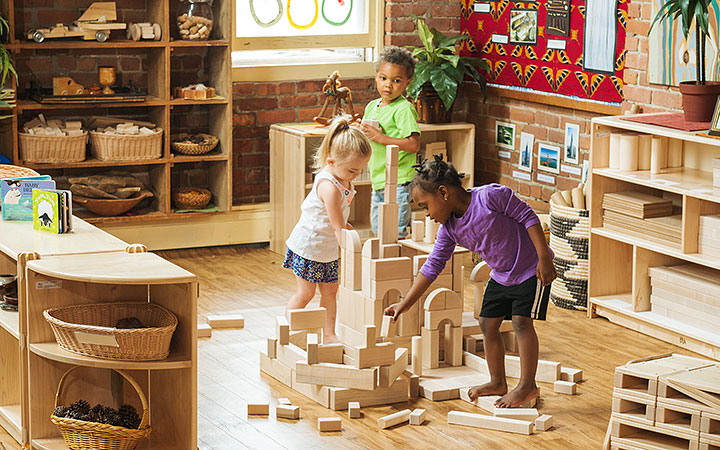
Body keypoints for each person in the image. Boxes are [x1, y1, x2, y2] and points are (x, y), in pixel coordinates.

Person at [383, 156, 557, 408]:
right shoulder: (449, 229)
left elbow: (529, 217)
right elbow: (432, 266)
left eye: (425, 206)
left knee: (521, 322)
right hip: (501, 274)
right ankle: (497, 381)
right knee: (487, 324)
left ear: (443, 192)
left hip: (532, 269)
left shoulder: (490, 197)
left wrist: (543, 258)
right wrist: (405, 304)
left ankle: (527, 385)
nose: (427, 214)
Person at [283, 115, 372, 343]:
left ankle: (329, 334)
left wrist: (343, 226)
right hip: (310, 246)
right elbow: (336, 226)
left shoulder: (343, 178)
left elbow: (339, 221)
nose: (356, 176)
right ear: (331, 162)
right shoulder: (329, 187)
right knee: (306, 293)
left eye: (360, 171)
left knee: (330, 292)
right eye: (353, 171)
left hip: (327, 247)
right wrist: (354, 251)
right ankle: (287, 328)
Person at [359, 45, 421, 238]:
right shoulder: (372, 106)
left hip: (398, 180)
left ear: (407, 83)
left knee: (394, 230)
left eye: (396, 81)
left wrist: (381, 137)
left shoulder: (403, 108)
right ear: (376, 76)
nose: (388, 85)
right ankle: (382, 265)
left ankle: (398, 264)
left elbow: (413, 144)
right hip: (378, 178)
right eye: (383, 78)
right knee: (378, 229)